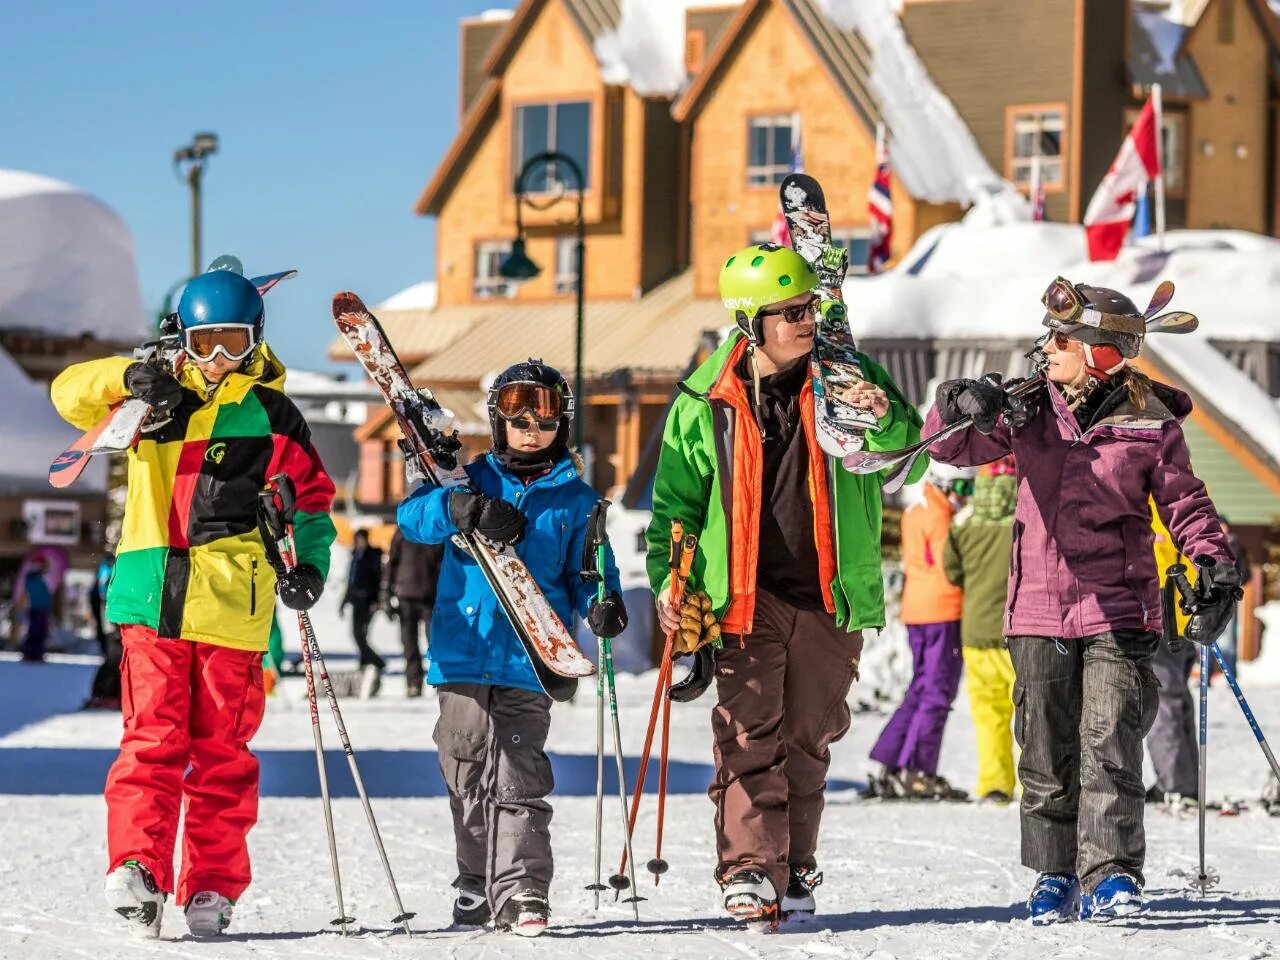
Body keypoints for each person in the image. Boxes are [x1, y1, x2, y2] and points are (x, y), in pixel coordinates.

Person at [926, 277, 1237, 923]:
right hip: (1038, 606)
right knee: (1043, 749)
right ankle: (1054, 874)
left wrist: (1213, 560)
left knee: (1109, 742)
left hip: (1119, 607)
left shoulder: (1150, 422)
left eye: (1063, 337)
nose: (1049, 346)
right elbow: (952, 448)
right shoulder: (1026, 407)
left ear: (1100, 350)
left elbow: (1184, 502)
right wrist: (959, 404)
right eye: (1049, 335)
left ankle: (1112, 874)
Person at [50, 262, 336, 938]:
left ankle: (210, 882)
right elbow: (68, 394)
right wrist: (126, 379)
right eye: (203, 342)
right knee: (149, 740)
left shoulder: (272, 415)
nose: (215, 359)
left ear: (255, 339)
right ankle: (138, 868)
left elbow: (314, 504)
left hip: (231, 612)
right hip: (151, 601)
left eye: (231, 343)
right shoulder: (152, 400)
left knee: (221, 754)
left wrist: (310, 567)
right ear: (182, 339)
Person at [647, 243, 924, 923]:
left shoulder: (847, 379)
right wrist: (669, 583)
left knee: (807, 741)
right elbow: (673, 511)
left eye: (812, 306)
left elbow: (907, 460)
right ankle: (748, 870)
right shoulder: (703, 401)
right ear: (751, 323)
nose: (808, 319)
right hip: (743, 596)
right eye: (791, 311)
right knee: (747, 736)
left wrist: (879, 415)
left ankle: (792, 867)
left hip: (831, 594)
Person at [396, 358, 625, 937]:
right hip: (463, 651)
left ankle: (523, 886)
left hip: (532, 655)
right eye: (517, 414)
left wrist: (602, 599)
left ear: (562, 424)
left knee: (520, 773)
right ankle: (475, 883)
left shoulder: (577, 501)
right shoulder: (468, 480)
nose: (531, 426)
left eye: (545, 416)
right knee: (466, 771)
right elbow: (413, 520)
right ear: (497, 419)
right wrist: (460, 508)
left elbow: (590, 567)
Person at [866, 462, 972, 801]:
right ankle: (917, 771)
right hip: (942, 610)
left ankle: (892, 760)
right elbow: (950, 569)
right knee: (937, 693)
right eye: (964, 489)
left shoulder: (917, 509)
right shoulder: (942, 518)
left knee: (921, 689)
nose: (966, 498)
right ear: (945, 485)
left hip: (918, 610)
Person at [943, 457, 1018, 804]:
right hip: (1018, 631)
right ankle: (1031, 784)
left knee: (989, 713)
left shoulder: (963, 522)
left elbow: (952, 571)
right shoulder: (1025, 519)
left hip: (975, 631)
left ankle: (994, 784)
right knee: (1029, 713)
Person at [382, 528, 444, 697]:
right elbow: (391, 564)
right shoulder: (402, 531)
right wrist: (385, 596)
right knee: (409, 644)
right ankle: (413, 684)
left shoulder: (434, 531)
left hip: (431, 598)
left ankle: (442, 683)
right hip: (405, 598)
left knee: (437, 644)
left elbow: (445, 565)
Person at [341, 528, 385, 697]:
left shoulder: (372, 556)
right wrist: (344, 602)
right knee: (356, 633)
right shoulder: (355, 556)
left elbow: (378, 579)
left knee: (361, 634)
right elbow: (350, 581)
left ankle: (376, 661)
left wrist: (376, 600)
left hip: (368, 601)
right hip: (355, 600)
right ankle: (366, 662)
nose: (357, 543)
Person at [18, 556, 52, 663]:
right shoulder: (32, 578)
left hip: (41, 608)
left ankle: (36, 653)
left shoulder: (38, 578)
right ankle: (30, 653)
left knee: (41, 632)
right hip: (36, 609)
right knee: (35, 631)